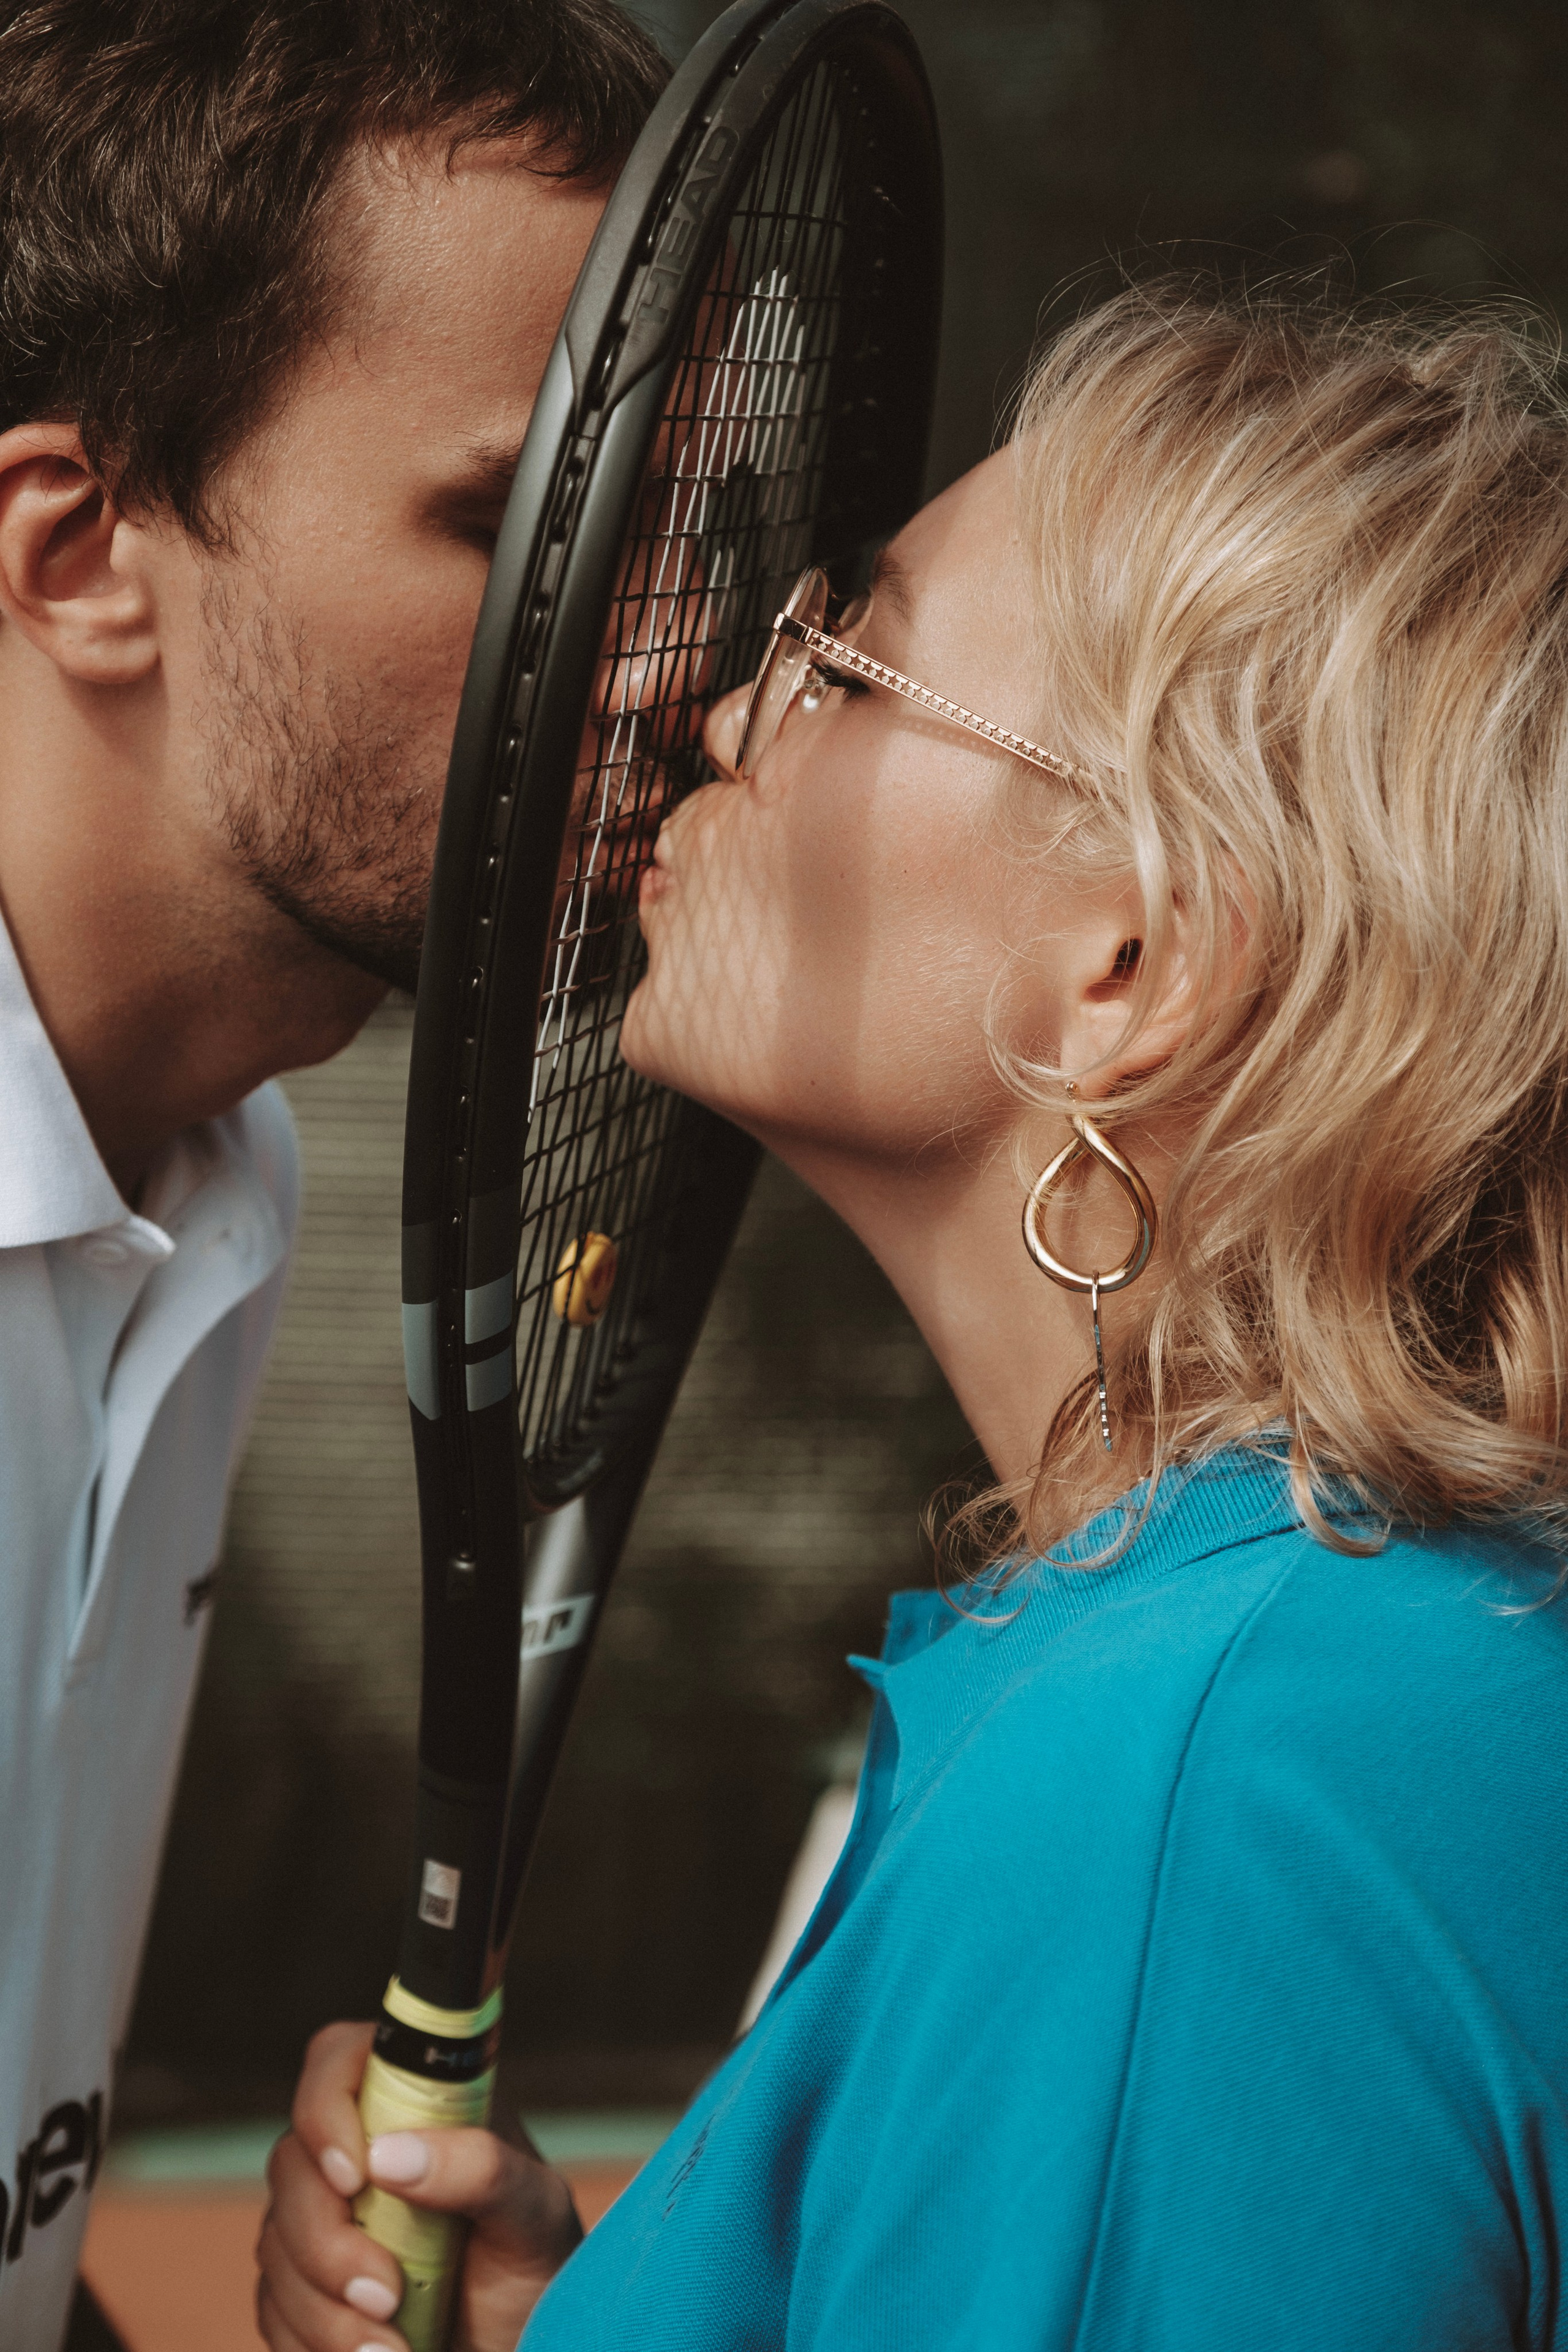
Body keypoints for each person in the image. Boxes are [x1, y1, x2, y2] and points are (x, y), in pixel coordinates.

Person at [260, 278, 1568, 2350]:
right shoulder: (1336, 1668)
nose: (721, 714)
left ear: (1129, 962)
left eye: (842, 665)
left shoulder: (1187, 1793)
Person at [0, 2, 668, 2343]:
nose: (658, 648)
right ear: (85, 551)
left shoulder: (220, 1179)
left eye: (667, 526)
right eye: (509, 517)